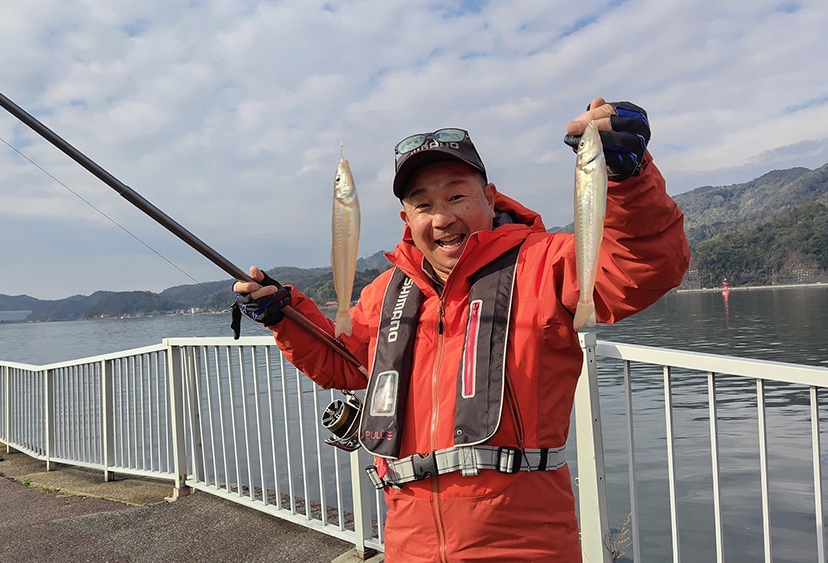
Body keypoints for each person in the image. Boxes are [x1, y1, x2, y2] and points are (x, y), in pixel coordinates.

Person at [233, 98, 690, 561]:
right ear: (406, 219)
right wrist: (285, 315)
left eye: (456, 196)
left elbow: (645, 266)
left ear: (490, 199)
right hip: (409, 544)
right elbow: (344, 366)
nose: (442, 219)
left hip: (524, 545)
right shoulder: (384, 292)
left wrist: (628, 181)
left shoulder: (544, 263)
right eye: (423, 204)